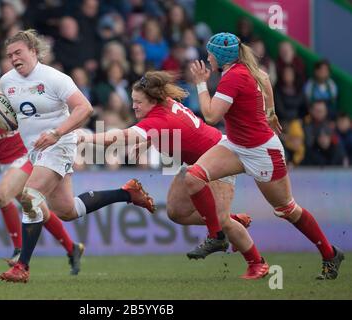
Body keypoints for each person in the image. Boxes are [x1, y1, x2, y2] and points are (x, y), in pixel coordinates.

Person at [0, 30, 154, 283]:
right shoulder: (7, 82)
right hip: (36, 151)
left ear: (33, 51)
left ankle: (22, 267)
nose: (14, 58)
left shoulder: (54, 78)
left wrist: (57, 132)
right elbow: (15, 120)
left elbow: (84, 108)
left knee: (29, 196)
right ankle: (128, 193)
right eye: (9, 55)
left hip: (60, 143)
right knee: (67, 210)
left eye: (18, 52)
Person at [78, 71, 265, 279]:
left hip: (219, 160)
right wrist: (146, 142)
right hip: (198, 164)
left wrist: (87, 138)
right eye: (133, 101)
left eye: (138, 102)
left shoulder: (158, 119)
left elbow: (120, 136)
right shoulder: (164, 104)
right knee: (175, 212)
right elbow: (170, 128)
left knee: (222, 223)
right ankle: (226, 218)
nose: (133, 106)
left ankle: (257, 263)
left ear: (152, 101)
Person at [189, 32, 344, 280]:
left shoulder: (233, 77)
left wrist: (199, 83)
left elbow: (210, 116)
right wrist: (270, 112)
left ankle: (329, 253)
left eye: (210, 53)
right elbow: (265, 78)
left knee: (287, 210)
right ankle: (217, 236)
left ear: (221, 56)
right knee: (193, 178)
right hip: (237, 146)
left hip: (262, 153)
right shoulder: (243, 70)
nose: (207, 57)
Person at [0, 67, 84, 275]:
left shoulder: (9, 101)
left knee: (2, 196)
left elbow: (22, 123)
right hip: (7, 166)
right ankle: (72, 248)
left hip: (26, 157)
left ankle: (19, 250)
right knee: (38, 210)